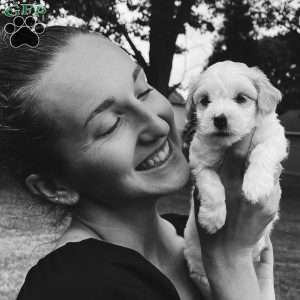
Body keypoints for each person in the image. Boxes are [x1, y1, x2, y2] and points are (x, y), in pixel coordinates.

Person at [0, 26, 279, 300]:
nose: (157, 124)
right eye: (110, 125)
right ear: (53, 185)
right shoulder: (71, 288)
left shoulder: (196, 232)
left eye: (143, 90)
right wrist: (231, 263)